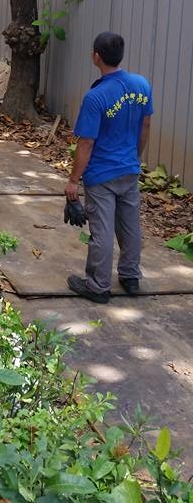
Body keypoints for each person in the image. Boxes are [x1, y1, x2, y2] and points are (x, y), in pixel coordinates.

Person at [65, 32, 153, 304]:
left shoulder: (96, 97)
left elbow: (86, 143)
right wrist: (134, 157)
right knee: (130, 226)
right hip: (129, 169)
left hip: (102, 175)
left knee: (101, 231)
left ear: (96, 56)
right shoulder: (141, 85)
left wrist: (72, 181)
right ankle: (130, 277)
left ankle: (98, 286)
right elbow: (146, 125)